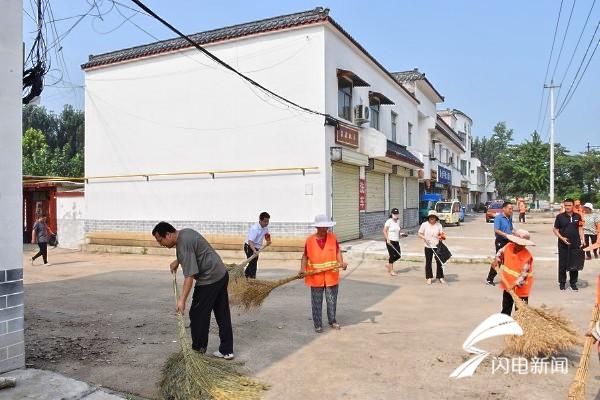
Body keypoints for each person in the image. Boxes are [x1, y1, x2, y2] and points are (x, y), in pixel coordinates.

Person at [152, 222, 234, 359]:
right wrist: (178, 261)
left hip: (209, 279)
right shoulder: (185, 233)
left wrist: (182, 300)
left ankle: (198, 351)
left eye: (161, 240)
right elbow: (191, 251)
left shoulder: (183, 244)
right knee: (222, 313)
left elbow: (189, 276)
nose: (161, 244)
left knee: (197, 315)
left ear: (168, 234)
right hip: (221, 273)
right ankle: (227, 350)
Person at [300, 214, 347, 333]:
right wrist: (302, 269)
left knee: (331, 300)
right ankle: (318, 324)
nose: (325, 229)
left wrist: (342, 263)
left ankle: (332, 321)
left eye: (326, 227)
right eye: (322, 227)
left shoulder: (332, 238)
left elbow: (337, 252)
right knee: (316, 301)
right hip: (315, 277)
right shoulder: (310, 240)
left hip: (331, 275)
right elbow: (305, 256)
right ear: (317, 227)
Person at [491, 229, 535, 316]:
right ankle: (505, 324)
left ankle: (520, 327)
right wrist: (497, 260)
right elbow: (500, 252)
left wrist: (513, 285)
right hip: (507, 284)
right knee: (506, 308)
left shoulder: (527, 256)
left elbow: (523, 276)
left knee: (521, 312)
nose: (519, 245)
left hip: (521, 288)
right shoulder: (508, 246)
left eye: (522, 244)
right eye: (517, 243)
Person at [553, 198, 585, 291]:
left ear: (573, 206)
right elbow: (555, 229)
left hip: (575, 243)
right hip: (563, 244)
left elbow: (580, 228)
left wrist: (582, 239)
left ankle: (573, 283)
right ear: (564, 206)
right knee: (562, 264)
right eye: (566, 205)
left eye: (569, 205)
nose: (567, 207)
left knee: (574, 263)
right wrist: (562, 238)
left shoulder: (578, 216)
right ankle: (562, 283)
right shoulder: (560, 217)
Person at [486, 201, 514, 286]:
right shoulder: (498, 218)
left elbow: (511, 229)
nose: (511, 210)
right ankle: (489, 279)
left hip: (509, 241)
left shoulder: (509, 217)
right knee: (498, 260)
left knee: (509, 260)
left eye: (512, 209)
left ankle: (509, 279)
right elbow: (496, 230)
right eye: (510, 209)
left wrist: (517, 234)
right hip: (500, 241)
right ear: (504, 209)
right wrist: (505, 234)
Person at [418, 210, 446, 285]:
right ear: (428, 218)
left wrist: (441, 237)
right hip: (428, 246)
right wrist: (424, 238)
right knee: (428, 262)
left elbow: (441, 235)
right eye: (430, 217)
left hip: (437, 246)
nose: (432, 218)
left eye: (433, 217)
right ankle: (429, 277)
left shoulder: (439, 225)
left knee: (439, 262)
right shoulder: (424, 224)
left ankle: (440, 277)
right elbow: (419, 233)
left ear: (436, 218)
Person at [243, 211, 272, 279]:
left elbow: (267, 234)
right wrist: (254, 250)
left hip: (256, 247)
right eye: (265, 221)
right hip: (249, 246)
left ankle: (245, 277)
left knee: (252, 262)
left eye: (268, 221)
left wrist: (268, 240)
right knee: (253, 264)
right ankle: (252, 279)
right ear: (260, 220)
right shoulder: (255, 228)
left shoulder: (265, 227)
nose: (266, 223)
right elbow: (250, 241)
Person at [383, 208, 405, 277]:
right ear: (392, 214)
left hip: (396, 241)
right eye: (394, 214)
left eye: (396, 214)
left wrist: (401, 234)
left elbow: (398, 230)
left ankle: (389, 265)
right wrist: (387, 239)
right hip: (390, 241)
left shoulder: (398, 221)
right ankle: (391, 270)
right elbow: (384, 231)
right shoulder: (389, 221)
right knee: (392, 255)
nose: (395, 215)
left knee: (398, 255)